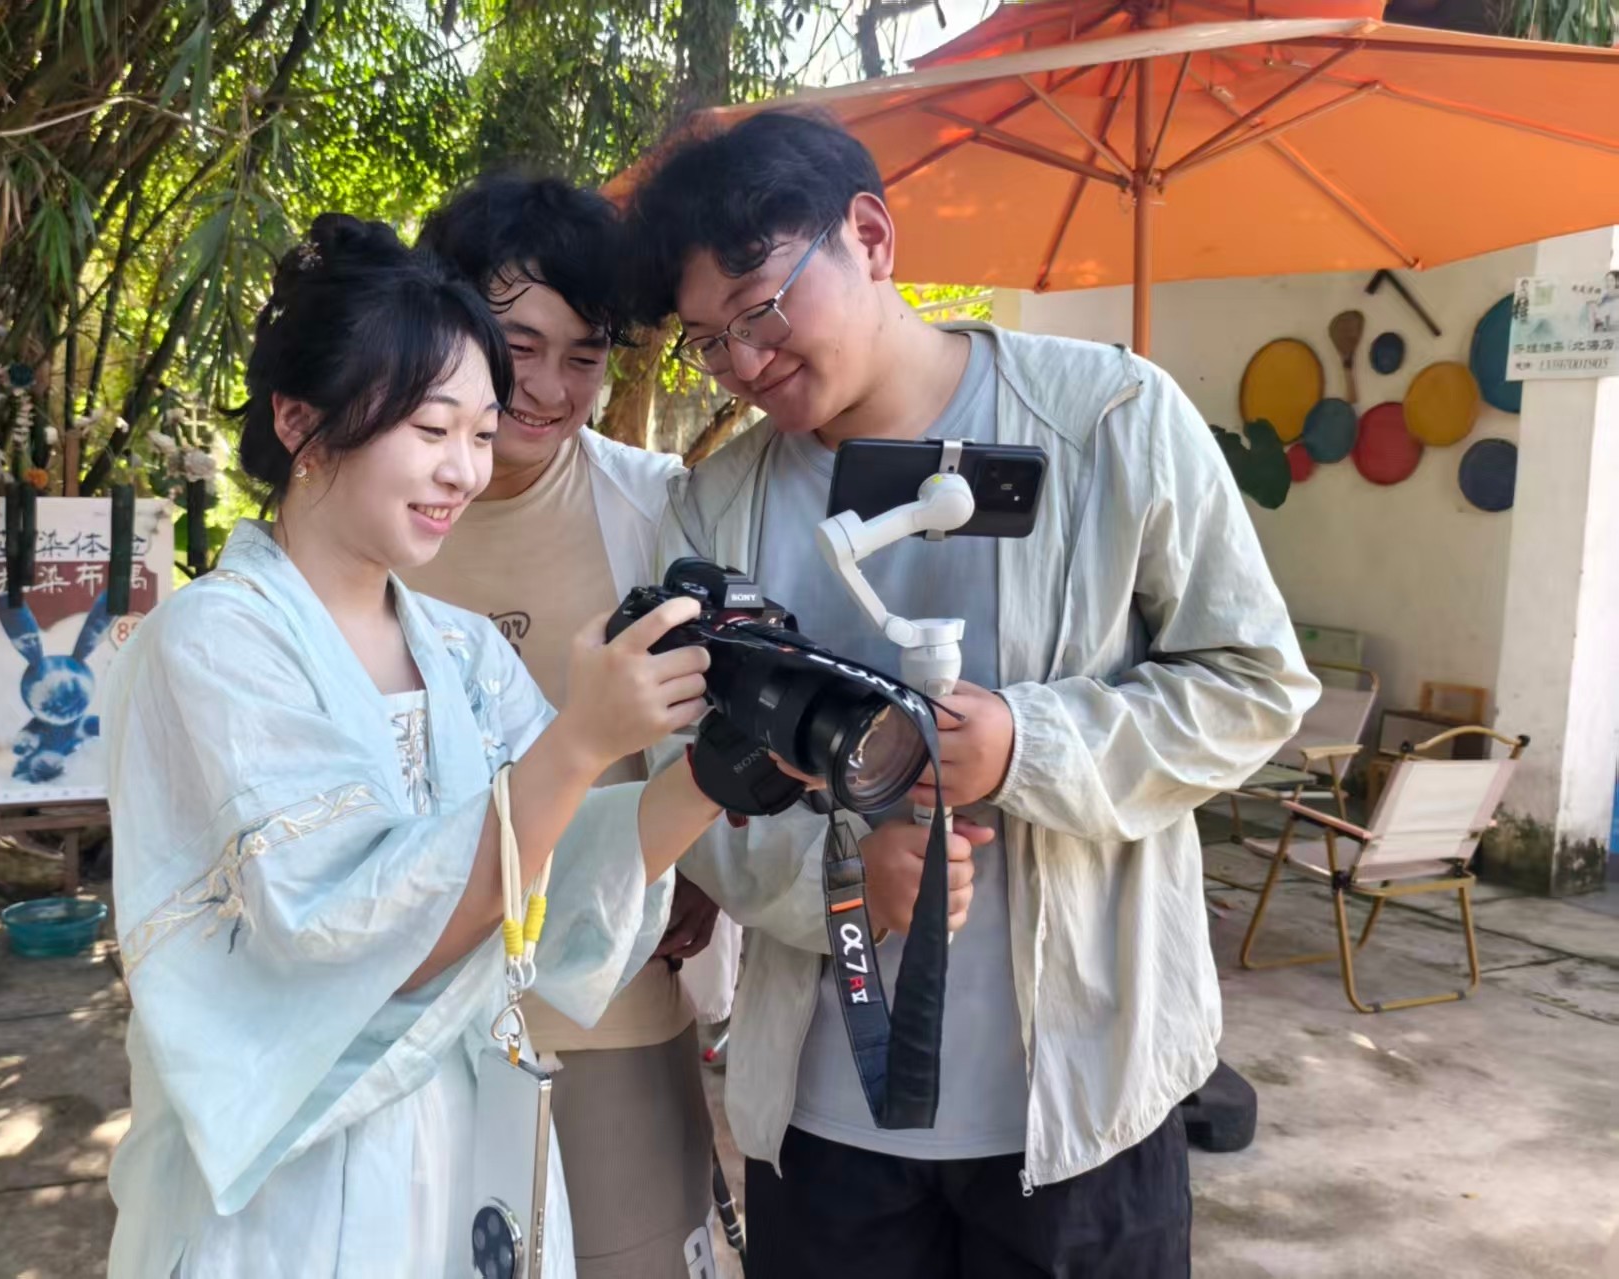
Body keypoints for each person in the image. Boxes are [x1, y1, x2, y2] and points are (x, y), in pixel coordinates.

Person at [622, 111, 1318, 1278]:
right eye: (708, 341)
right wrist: (845, 881)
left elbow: (1253, 682)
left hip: (1081, 1108)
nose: (742, 363)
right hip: (826, 1121)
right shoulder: (716, 507)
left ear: (871, 236)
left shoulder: (1109, 419)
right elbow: (685, 781)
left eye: (759, 308)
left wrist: (1024, 744)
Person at [101, 214, 724, 1277]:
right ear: (300, 420)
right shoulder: (210, 643)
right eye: (433, 429)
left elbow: (560, 873)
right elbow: (355, 940)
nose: (465, 470)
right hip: (292, 1181)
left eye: (481, 433)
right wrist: (581, 740)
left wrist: (722, 768)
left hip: (459, 1137)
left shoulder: (462, 650)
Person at [408, 173, 731, 1279]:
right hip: (411, 1010)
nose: (547, 389)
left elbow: (712, 721)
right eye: (517, 347)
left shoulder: (658, 506)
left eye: (584, 356)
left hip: (610, 1003)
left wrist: (705, 866)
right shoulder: (372, 505)